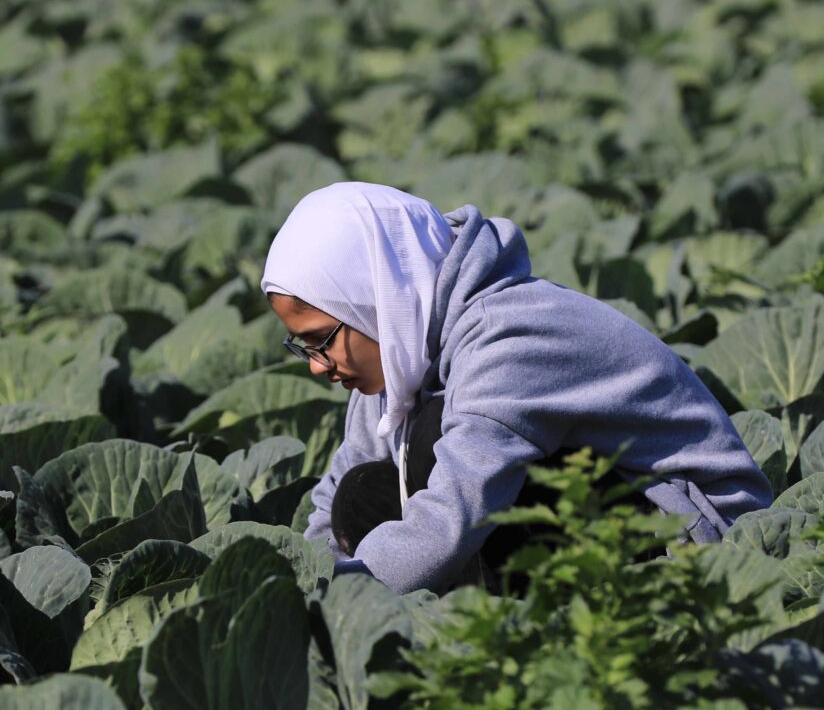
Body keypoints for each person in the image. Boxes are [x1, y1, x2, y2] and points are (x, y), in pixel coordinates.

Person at [261, 181, 774, 595]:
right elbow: (337, 493)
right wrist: (306, 584)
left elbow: (451, 518)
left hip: (700, 537)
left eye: (321, 341)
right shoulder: (400, 347)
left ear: (372, 299)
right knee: (361, 494)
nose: (316, 366)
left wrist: (336, 603)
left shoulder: (510, 337)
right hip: (602, 508)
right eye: (303, 347)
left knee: (428, 448)